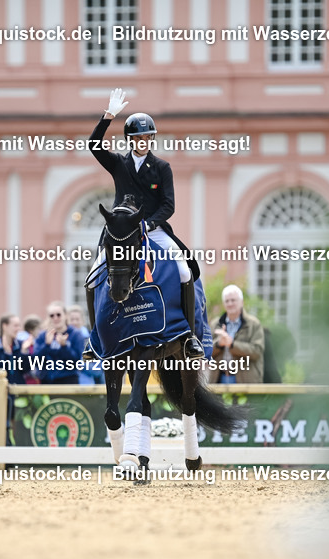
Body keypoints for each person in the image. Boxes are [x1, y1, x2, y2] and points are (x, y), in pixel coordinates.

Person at [83, 87, 204, 361]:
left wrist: (149, 224)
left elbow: (168, 205)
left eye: (148, 137)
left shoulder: (162, 167)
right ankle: (94, 341)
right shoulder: (117, 164)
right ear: (130, 139)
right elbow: (93, 145)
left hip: (153, 230)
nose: (144, 141)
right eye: (138, 137)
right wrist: (108, 116)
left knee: (184, 271)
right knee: (91, 280)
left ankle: (190, 338)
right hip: (122, 234)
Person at [210, 285, 265, 384]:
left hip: (246, 381)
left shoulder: (254, 324)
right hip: (219, 379)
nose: (230, 303)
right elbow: (205, 353)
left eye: (233, 300)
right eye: (227, 301)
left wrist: (232, 345)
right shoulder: (215, 324)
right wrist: (219, 344)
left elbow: (257, 351)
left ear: (241, 302)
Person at [33, 301, 85, 385]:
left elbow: (77, 362)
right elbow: (35, 361)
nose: (55, 318)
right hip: (47, 381)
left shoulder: (75, 334)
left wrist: (64, 347)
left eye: (58, 314)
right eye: (52, 315)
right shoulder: (43, 336)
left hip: (68, 381)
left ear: (65, 316)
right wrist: (46, 345)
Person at [68, 304, 104, 385]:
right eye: (72, 319)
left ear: (83, 321)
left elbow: (97, 370)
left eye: (77, 319)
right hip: (67, 383)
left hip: (87, 384)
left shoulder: (92, 340)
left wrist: (78, 363)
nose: (74, 322)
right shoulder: (61, 338)